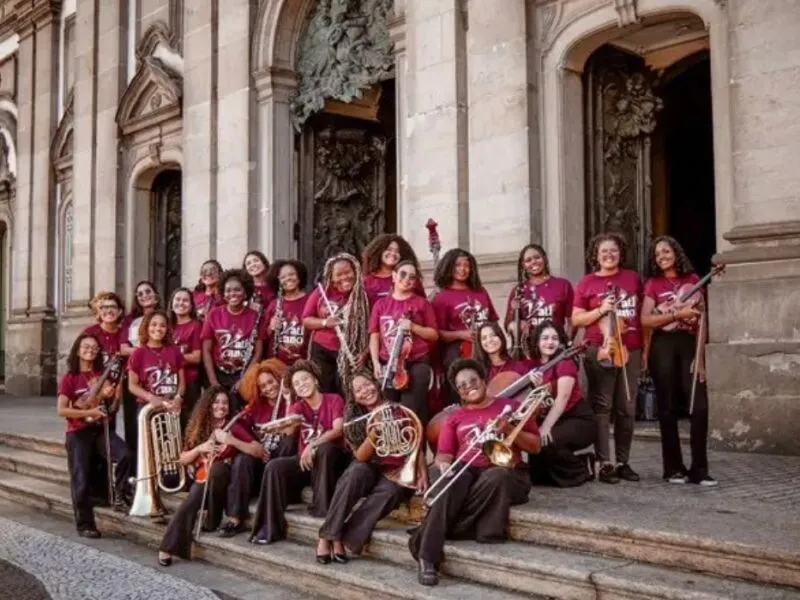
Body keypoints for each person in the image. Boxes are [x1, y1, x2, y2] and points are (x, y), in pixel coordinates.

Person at [408, 358, 539, 586]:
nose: (469, 387)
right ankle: (427, 558)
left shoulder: (510, 407)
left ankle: (429, 529)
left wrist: (510, 429)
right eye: (462, 385)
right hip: (468, 468)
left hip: (508, 471)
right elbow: (444, 454)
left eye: (473, 380)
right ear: (458, 391)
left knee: (497, 475)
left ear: (483, 380)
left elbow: (535, 446)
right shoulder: (455, 416)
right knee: (449, 485)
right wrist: (444, 466)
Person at [317, 373, 426, 563]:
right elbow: (360, 456)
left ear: (376, 384)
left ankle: (344, 538)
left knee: (391, 492)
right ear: (353, 396)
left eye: (367, 384)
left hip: (395, 468)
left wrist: (422, 472)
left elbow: (415, 442)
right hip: (368, 465)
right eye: (358, 390)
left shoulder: (398, 410)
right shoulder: (354, 417)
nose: (365, 391)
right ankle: (328, 536)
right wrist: (375, 431)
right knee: (354, 474)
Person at [641, 236, 716, 486]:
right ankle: (673, 468)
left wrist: (700, 359)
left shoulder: (693, 280)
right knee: (667, 406)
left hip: (688, 343)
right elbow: (645, 320)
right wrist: (674, 314)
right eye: (657, 254)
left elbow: (703, 320)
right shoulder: (653, 284)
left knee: (699, 406)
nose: (661, 257)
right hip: (663, 345)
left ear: (676, 252)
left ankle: (699, 469)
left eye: (666, 251)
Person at [250, 360, 350, 544]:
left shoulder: (333, 399)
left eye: (305, 379)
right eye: (296, 383)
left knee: (325, 449)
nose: (302, 384)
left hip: (330, 461)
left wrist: (312, 445)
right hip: (306, 461)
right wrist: (288, 400)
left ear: (315, 380)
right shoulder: (298, 406)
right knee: (274, 467)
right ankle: (269, 527)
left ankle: (323, 512)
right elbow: (288, 431)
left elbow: (338, 430)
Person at [157, 386, 259, 565]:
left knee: (218, 469)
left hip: (227, 483)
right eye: (216, 402)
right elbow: (183, 459)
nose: (221, 406)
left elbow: (258, 450)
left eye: (225, 403)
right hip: (204, 478)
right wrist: (200, 448)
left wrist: (232, 441)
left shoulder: (234, 426)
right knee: (192, 498)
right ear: (208, 404)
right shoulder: (199, 426)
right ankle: (168, 547)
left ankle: (211, 521)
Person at [572, 233, 643, 484]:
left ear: (620, 253)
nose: (609, 255)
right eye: (604, 251)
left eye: (613, 250)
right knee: (602, 406)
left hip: (630, 348)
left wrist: (645, 350)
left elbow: (642, 314)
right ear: (596, 255)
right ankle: (605, 463)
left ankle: (623, 461)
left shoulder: (632, 278)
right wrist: (601, 309)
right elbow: (577, 319)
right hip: (599, 348)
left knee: (627, 407)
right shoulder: (587, 282)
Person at [57, 333, 132, 537]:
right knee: (81, 478)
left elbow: (112, 407)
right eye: (85, 347)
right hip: (78, 433)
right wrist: (89, 411)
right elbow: (62, 410)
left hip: (100, 429)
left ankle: (120, 494)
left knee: (124, 454)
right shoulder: (70, 378)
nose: (90, 350)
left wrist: (113, 396)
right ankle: (85, 524)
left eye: (94, 348)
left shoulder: (102, 375)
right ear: (77, 350)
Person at [217, 358, 298, 537]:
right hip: (262, 463)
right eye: (263, 386)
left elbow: (292, 430)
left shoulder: (292, 401)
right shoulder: (256, 407)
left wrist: (288, 400)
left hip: (281, 470)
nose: (268, 388)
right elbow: (236, 426)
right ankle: (235, 519)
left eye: (271, 382)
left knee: (288, 442)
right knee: (242, 459)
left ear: (279, 379)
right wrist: (254, 446)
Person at [526, 321, 595, 487]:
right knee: (536, 471)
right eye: (545, 338)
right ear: (537, 341)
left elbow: (562, 398)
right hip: (554, 418)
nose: (550, 342)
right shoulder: (533, 365)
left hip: (577, 418)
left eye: (554, 338)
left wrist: (545, 427)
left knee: (547, 442)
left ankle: (583, 467)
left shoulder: (565, 362)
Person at [368, 260, 438, 423]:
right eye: (403, 274)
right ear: (393, 276)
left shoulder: (421, 304)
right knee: (390, 410)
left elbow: (434, 335)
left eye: (412, 277)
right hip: (388, 364)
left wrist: (413, 327)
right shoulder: (381, 305)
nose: (407, 279)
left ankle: (412, 437)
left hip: (416, 362)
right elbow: (374, 335)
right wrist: (376, 363)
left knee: (409, 409)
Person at [431, 248, 499, 406]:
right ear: (449, 267)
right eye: (457, 265)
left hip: (486, 344)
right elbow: (438, 334)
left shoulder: (481, 292)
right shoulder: (442, 297)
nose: (463, 269)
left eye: (467, 265)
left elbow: (493, 321)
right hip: (459, 349)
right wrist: (461, 334)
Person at [302, 253, 369, 394]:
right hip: (322, 349)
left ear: (355, 271)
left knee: (346, 390)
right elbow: (306, 319)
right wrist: (325, 322)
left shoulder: (365, 295)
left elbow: (374, 329)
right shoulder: (321, 293)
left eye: (347, 272)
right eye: (339, 274)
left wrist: (365, 353)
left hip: (350, 350)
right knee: (324, 388)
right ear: (331, 277)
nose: (344, 277)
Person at [201, 268, 268, 412]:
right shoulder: (214, 314)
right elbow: (206, 350)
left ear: (245, 292)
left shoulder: (256, 316)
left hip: (243, 373)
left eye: (237, 290)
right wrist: (213, 381)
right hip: (217, 373)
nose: (232, 294)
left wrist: (244, 379)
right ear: (223, 293)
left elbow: (258, 352)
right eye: (228, 290)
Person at [504, 244, 574, 357]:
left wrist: (566, 345)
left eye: (537, 257)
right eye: (528, 260)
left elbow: (572, 321)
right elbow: (508, 325)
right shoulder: (518, 290)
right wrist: (517, 320)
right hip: (529, 351)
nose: (533, 262)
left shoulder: (562, 285)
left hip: (555, 347)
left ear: (544, 258)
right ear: (523, 265)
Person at [120, 280, 162, 464]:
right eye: (140, 293)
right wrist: (145, 352)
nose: (145, 296)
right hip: (135, 374)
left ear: (156, 294)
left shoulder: (164, 316)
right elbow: (123, 349)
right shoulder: (130, 320)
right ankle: (136, 466)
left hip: (159, 375)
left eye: (148, 291)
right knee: (133, 423)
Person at [127, 310, 185, 423]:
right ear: (146, 327)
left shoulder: (175, 351)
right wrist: (150, 397)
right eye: (153, 324)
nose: (158, 328)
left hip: (171, 407)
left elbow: (181, 383)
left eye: (162, 325)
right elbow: (132, 385)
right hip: (148, 408)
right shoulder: (138, 353)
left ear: (167, 329)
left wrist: (178, 397)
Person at [82, 291, 126, 431]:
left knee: (108, 431)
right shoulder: (90, 332)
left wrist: (118, 394)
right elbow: (79, 361)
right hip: (91, 389)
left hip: (111, 392)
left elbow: (125, 367)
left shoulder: (123, 334)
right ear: (98, 311)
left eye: (113, 307)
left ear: (119, 311)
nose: (108, 310)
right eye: (104, 307)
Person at [167, 287, 203, 429]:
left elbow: (196, 357)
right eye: (178, 299)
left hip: (189, 382)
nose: (181, 303)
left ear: (191, 305)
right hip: (166, 382)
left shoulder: (196, 325)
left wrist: (172, 358)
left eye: (185, 300)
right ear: (171, 303)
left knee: (187, 424)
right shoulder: (166, 325)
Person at [265, 259, 310, 366]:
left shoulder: (310, 300)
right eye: (283, 277)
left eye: (292, 274)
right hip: (277, 364)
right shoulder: (274, 304)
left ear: (299, 276)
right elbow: (264, 336)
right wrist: (271, 327)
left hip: (305, 363)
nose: (288, 278)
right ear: (278, 281)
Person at [361, 233, 425, 308]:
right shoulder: (366, 281)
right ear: (379, 252)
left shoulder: (410, 278)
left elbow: (423, 305)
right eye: (389, 249)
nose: (393, 253)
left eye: (397, 251)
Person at [472, 322, 531, 386]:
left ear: (501, 337)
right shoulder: (477, 372)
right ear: (480, 343)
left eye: (493, 335)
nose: (489, 340)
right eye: (484, 338)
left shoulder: (518, 367)